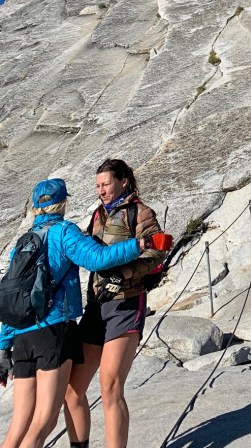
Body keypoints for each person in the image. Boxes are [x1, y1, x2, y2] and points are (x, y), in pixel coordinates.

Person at [0, 178, 151, 448]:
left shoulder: (22, 243)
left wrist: (3, 346)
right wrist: (138, 246)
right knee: (43, 422)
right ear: (63, 203)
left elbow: (13, 295)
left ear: (34, 207)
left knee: (19, 424)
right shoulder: (64, 232)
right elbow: (97, 259)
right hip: (53, 332)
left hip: (22, 339)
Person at [64, 160, 166, 448]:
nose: (101, 190)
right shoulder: (98, 215)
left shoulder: (140, 212)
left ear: (123, 181)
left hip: (126, 303)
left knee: (110, 387)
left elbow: (158, 251)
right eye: (97, 186)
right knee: (72, 390)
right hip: (96, 305)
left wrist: (125, 274)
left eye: (105, 184)